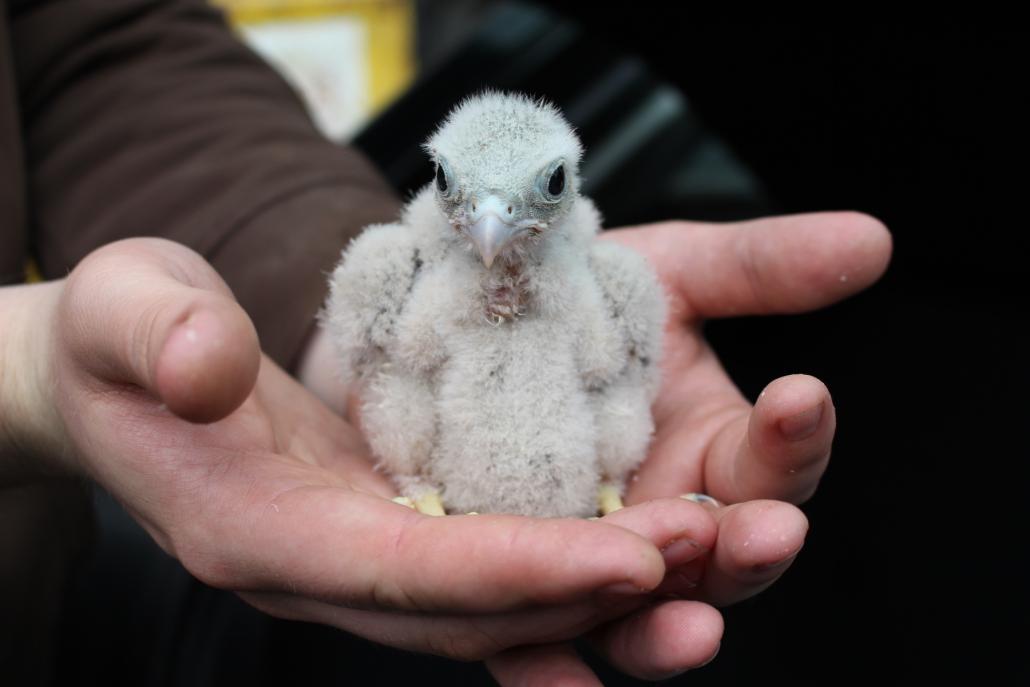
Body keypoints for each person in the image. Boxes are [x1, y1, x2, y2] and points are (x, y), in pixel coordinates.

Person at [0, 1, 891, 684]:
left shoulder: (597, 280)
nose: (495, 221)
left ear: (567, 184)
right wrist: (29, 374)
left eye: (536, 191)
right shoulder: (418, 275)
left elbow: (93, 46)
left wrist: (297, 335)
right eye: (464, 191)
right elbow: (413, 354)